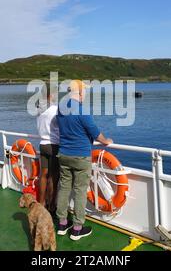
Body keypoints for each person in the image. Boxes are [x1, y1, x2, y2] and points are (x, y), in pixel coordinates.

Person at [56, 80, 113, 241]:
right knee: (80, 190)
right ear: (80, 92)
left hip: (64, 155)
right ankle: (77, 228)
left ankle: (61, 224)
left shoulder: (61, 109)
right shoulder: (81, 109)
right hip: (80, 156)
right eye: (85, 92)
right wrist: (106, 141)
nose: (86, 95)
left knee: (64, 188)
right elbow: (95, 132)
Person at [36, 84, 60, 213]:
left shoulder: (40, 109)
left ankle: (41, 203)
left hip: (43, 145)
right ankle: (52, 206)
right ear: (50, 95)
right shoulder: (56, 109)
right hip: (54, 145)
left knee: (43, 175)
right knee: (53, 177)